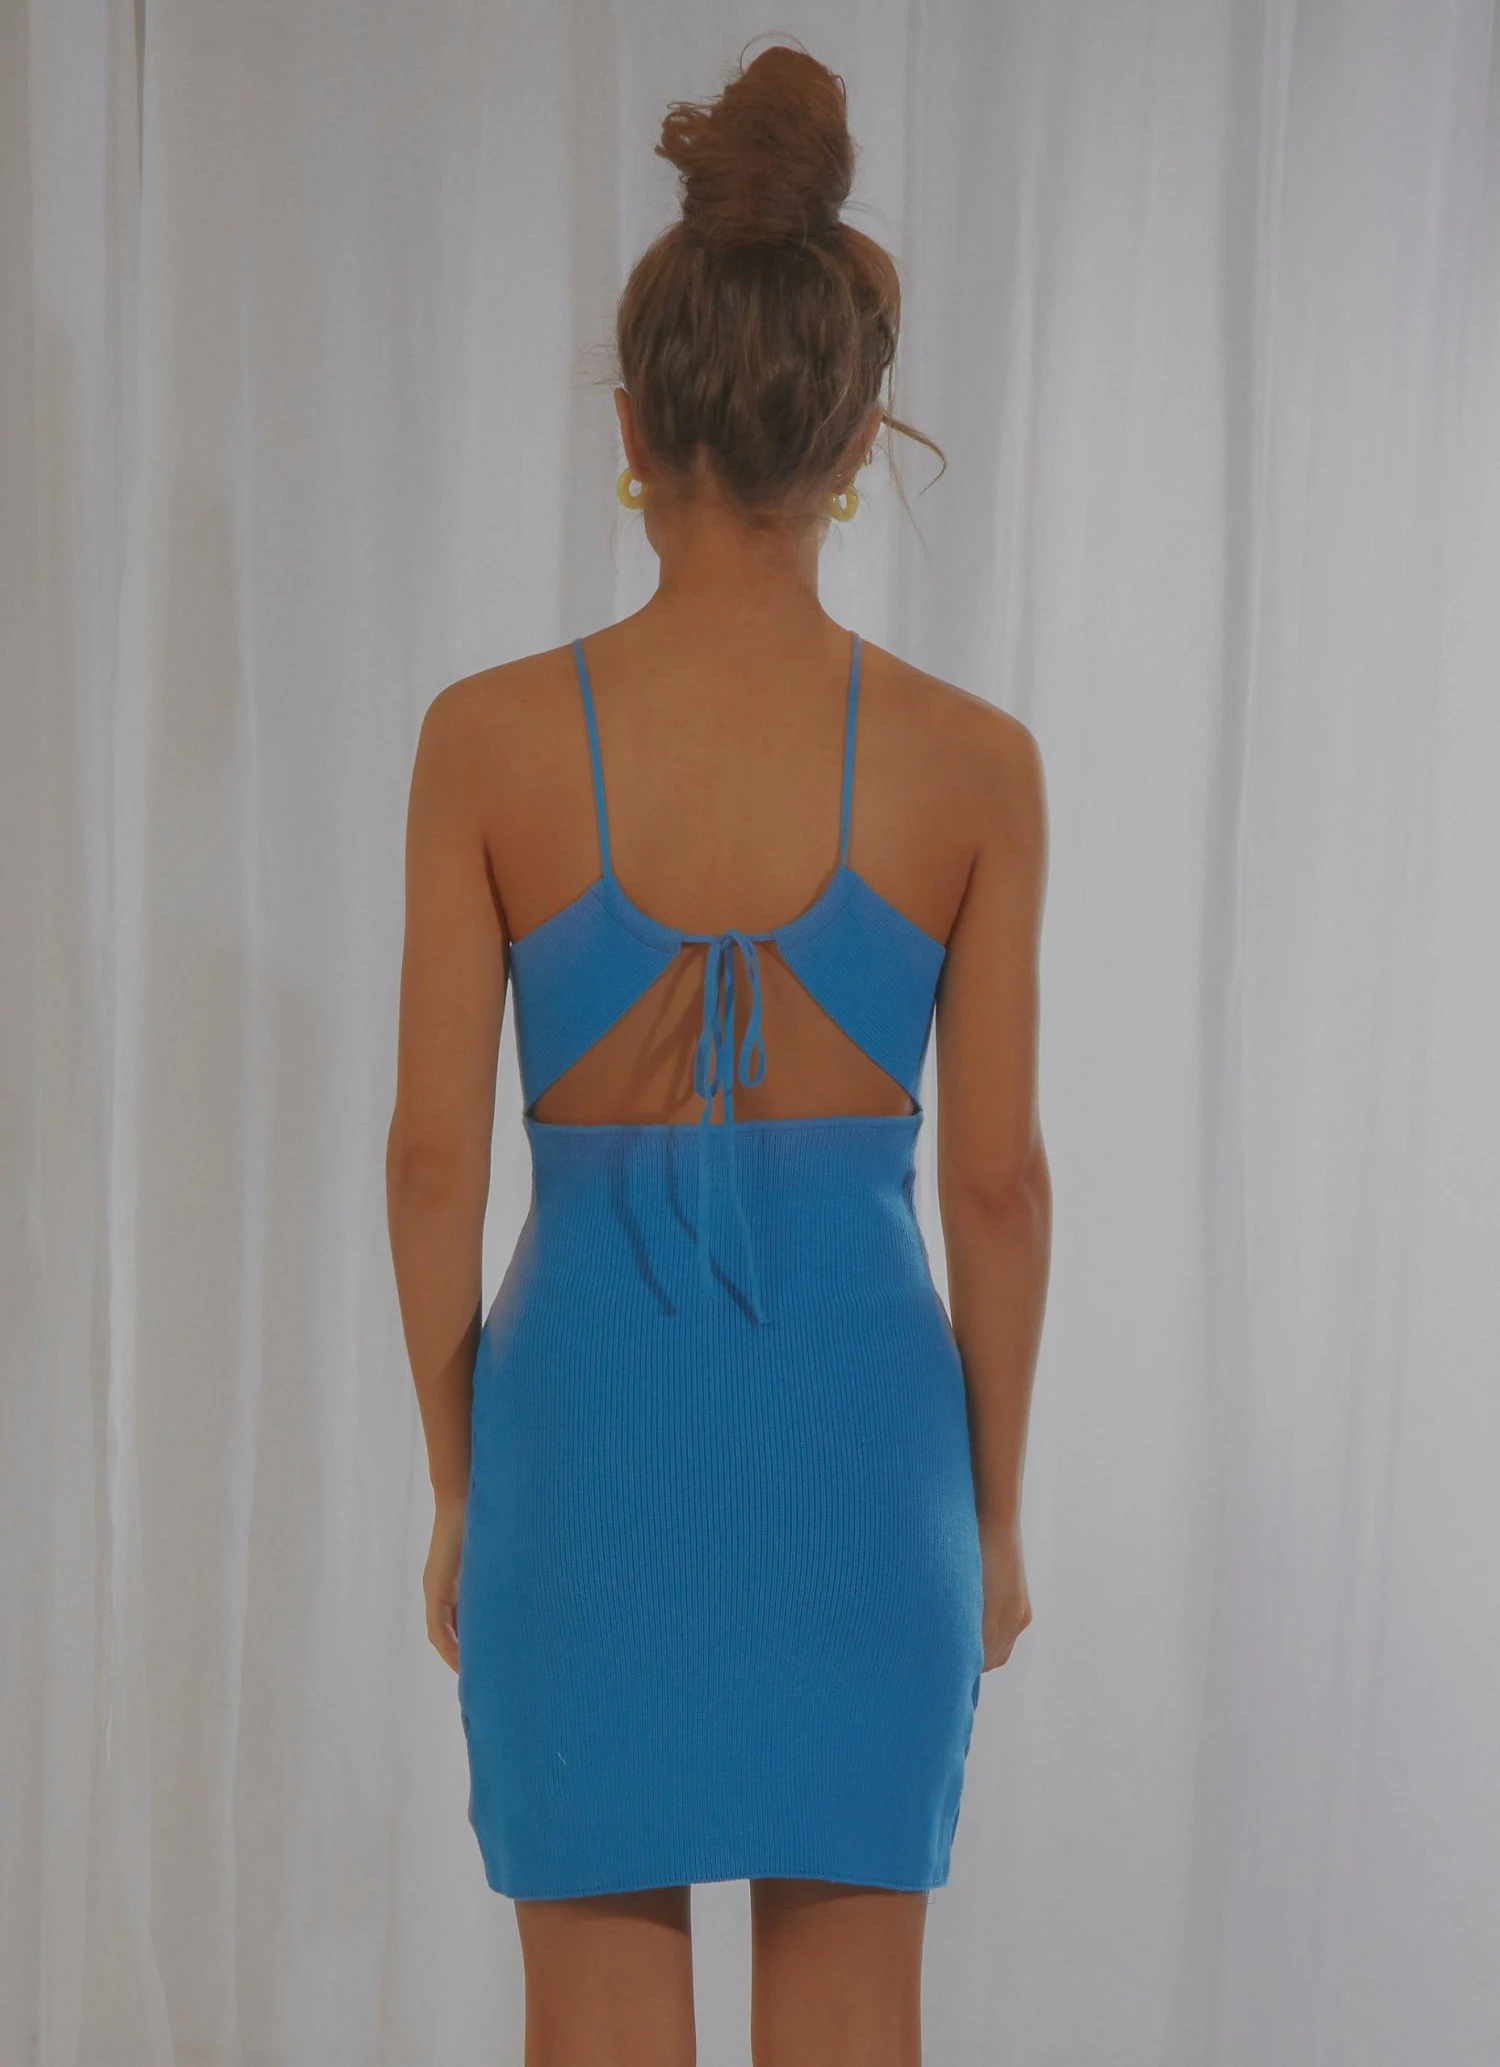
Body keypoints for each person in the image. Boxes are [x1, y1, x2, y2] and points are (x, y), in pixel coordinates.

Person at [386, 39, 1051, 2067]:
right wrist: (994, 1509)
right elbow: (999, 1182)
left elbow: (428, 1163)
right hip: (866, 1465)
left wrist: (460, 1486)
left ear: (631, 424)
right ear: (855, 437)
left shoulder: (487, 741)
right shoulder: (975, 767)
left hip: (582, 1460)